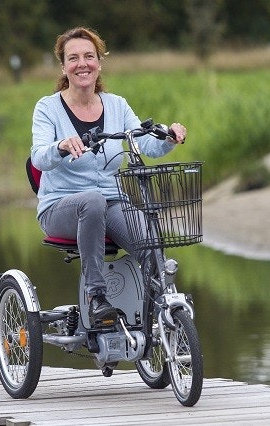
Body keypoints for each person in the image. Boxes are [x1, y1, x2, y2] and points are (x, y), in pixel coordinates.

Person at [31, 27, 186, 327]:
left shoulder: (117, 104)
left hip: (112, 201)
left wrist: (169, 137)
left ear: (99, 62)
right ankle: (96, 296)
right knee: (91, 201)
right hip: (61, 205)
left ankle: (157, 315)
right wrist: (61, 146)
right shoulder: (47, 108)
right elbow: (38, 156)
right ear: (63, 66)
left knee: (151, 243)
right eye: (73, 58)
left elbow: (144, 143)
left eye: (89, 56)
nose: (82, 64)